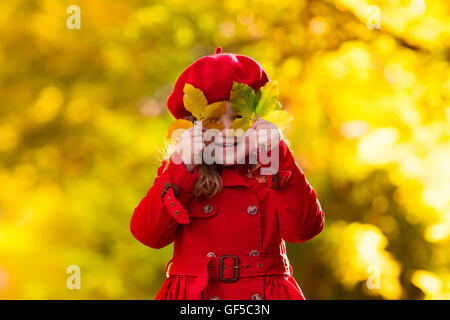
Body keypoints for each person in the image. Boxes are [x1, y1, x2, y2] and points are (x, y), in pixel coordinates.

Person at [130, 47, 325, 300]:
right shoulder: (179, 173)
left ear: (258, 122)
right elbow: (149, 234)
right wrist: (182, 169)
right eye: (212, 120)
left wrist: (279, 157)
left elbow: (306, 228)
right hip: (195, 296)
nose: (226, 131)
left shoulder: (272, 172)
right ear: (191, 128)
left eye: (239, 118)